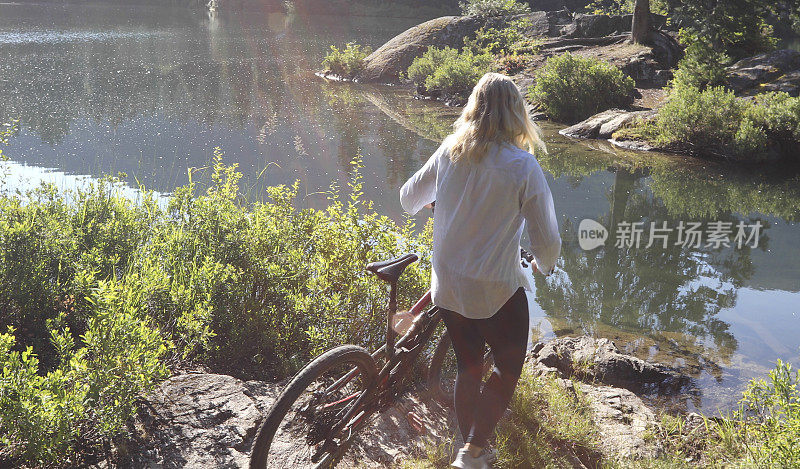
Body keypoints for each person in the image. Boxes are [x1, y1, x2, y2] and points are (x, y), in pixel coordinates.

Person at [399, 73, 561, 469]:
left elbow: (407, 199)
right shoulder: (523, 166)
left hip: (449, 287)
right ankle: (472, 452)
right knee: (507, 371)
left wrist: (436, 203)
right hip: (495, 291)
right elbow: (548, 238)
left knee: (468, 366)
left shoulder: (450, 150)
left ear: (473, 107)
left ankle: (467, 445)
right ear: (516, 115)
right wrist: (542, 265)